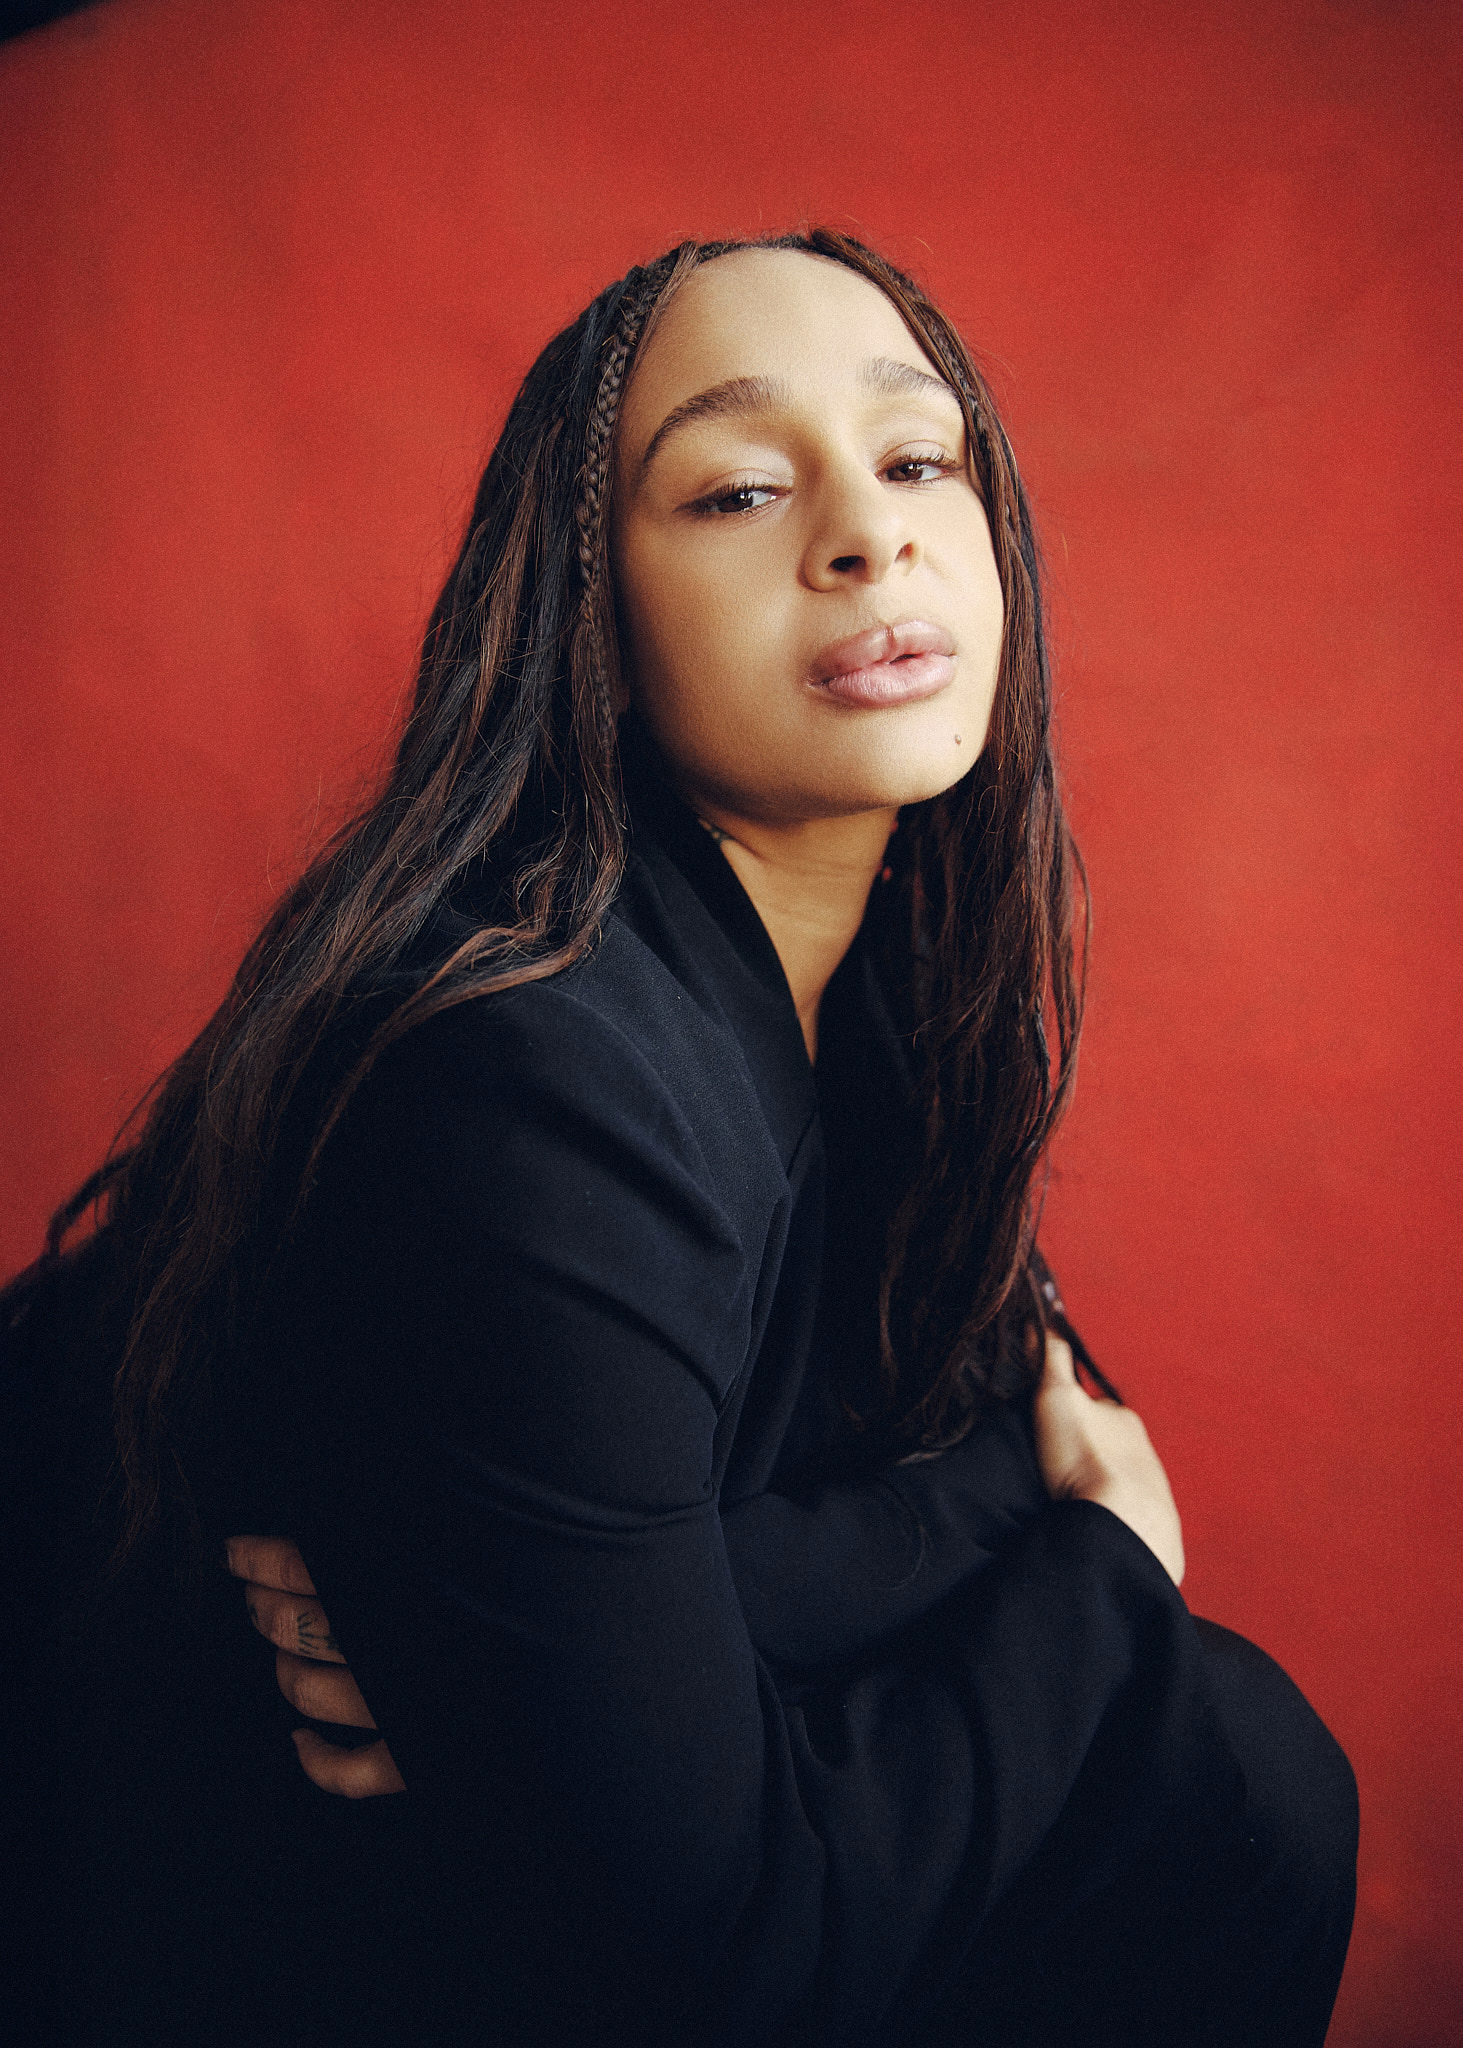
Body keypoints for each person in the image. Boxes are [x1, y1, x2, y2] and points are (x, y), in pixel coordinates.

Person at [6, 229, 1357, 2047]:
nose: (866, 534)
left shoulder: (883, 976)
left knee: (1222, 1766)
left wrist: (573, 1649)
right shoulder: (525, 1073)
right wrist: (1104, 1561)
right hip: (227, 1912)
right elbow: (722, 1956)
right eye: (734, 488)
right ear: (592, 608)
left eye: (916, 456)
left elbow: (1039, 1409)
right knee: (1215, 1759)